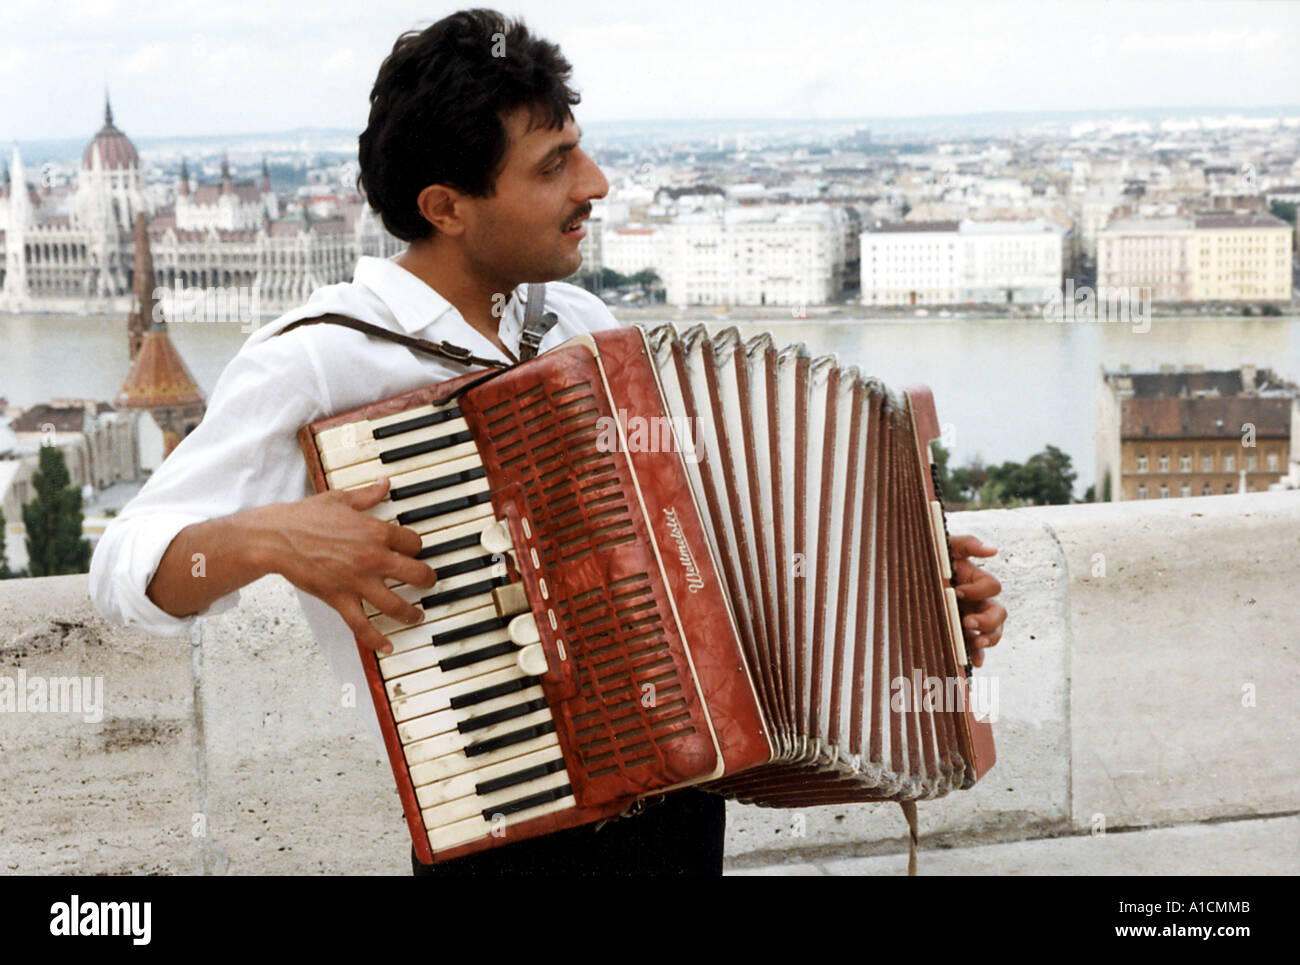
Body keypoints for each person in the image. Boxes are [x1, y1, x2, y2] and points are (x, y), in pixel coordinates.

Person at [90, 8, 1006, 877]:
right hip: (503, 827)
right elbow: (125, 567)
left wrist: (910, 592)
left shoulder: (577, 324)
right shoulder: (319, 360)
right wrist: (271, 538)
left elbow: (710, 546)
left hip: (683, 810)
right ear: (447, 205)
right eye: (553, 164)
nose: (595, 185)